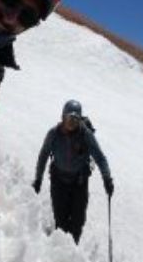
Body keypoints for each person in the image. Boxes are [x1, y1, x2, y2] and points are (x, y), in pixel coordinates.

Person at [32, 100, 113, 243]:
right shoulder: (53, 134)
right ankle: (60, 254)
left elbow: (100, 157)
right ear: (63, 117)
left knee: (77, 223)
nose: (72, 123)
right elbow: (43, 156)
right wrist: (38, 179)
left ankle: (72, 254)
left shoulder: (85, 135)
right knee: (61, 222)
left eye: (75, 119)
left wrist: (107, 179)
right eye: (69, 118)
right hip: (59, 182)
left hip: (79, 183)